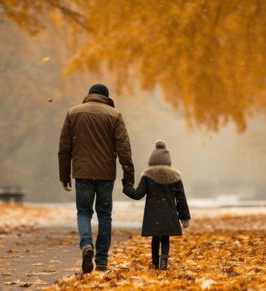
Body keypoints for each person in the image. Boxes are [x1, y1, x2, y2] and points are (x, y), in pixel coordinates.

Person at [58, 84, 134, 273]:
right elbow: (124, 149)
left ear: (89, 95)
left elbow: (64, 148)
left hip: (82, 173)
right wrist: (128, 176)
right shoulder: (114, 115)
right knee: (104, 215)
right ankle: (101, 260)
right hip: (106, 174)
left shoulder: (73, 113)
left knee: (84, 212)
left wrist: (64, 175)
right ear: (106, 97)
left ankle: (86, 245)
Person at [122, 140, 190, 270]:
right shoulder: (175, 176)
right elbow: (181, 198)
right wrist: (184, 217)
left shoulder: (148, 176)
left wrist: (126, 187)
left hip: (153, 213)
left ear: (152, 159)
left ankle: (155, 260)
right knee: (165, 237)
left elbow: (137, 194)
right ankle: (164, 259)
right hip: (169, 212)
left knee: (155, 237)